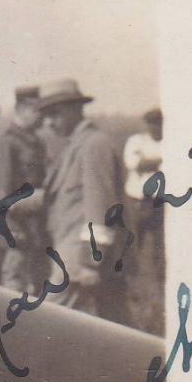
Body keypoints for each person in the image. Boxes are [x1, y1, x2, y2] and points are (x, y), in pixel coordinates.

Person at [39, 78, 128, 323]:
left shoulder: (93, 145)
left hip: (79, 259)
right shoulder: (74, 146)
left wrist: (91, 262)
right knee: (115, 327)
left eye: (54, 114)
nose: (49, 123)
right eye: (45, 116)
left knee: (47, 324)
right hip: (74, 255)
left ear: (75, 109)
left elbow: (99, 206)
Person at [0, 85, 49, 293]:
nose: (43, 119)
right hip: (13, 230)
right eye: (39, 112)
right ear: (22, 109)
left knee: (37, 288)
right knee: (14, 288)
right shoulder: (6, 141)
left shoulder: (35, 141)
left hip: (34, 229)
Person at [122, 106, 166, 334]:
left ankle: (158, 281)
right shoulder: (136, 141)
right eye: (151, 123)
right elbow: (133, 163)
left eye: (158, 123)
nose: (154, 127)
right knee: (132, 243)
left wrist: (150, 161)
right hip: (137, 200)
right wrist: (158, 161)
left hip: (158, 201)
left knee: (159, 245)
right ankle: (132, 282)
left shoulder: (169, 142)